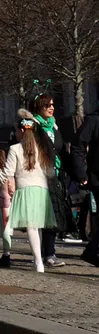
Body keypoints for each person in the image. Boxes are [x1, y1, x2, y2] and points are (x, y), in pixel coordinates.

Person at [0, 111, 57, 273]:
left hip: (25, 190)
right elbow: (50, 172)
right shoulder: (40, 149)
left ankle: (38, 262)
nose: (15, 133)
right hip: (42, 191)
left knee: (31, 227)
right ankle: (37, 260)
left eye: (17, 131)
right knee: (37, 226)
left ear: (23, 131)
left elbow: (6, 174)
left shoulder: (15, 149)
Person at [29, 94, 68, 267]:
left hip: (55, 174)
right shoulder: (33, 126)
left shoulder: (54, 126)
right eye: (48, 105)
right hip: (39, 174)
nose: (51, 108)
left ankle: (50, 253)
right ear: (39, 107)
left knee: (53, 211)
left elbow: (61, 150)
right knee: (40, 215)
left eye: (53, 105)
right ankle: (39, 254)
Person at [72, 105, 99, 266]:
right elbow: (78, 144)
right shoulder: (94, 120)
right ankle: (91, 250)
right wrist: (81, 173)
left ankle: (91, 250)